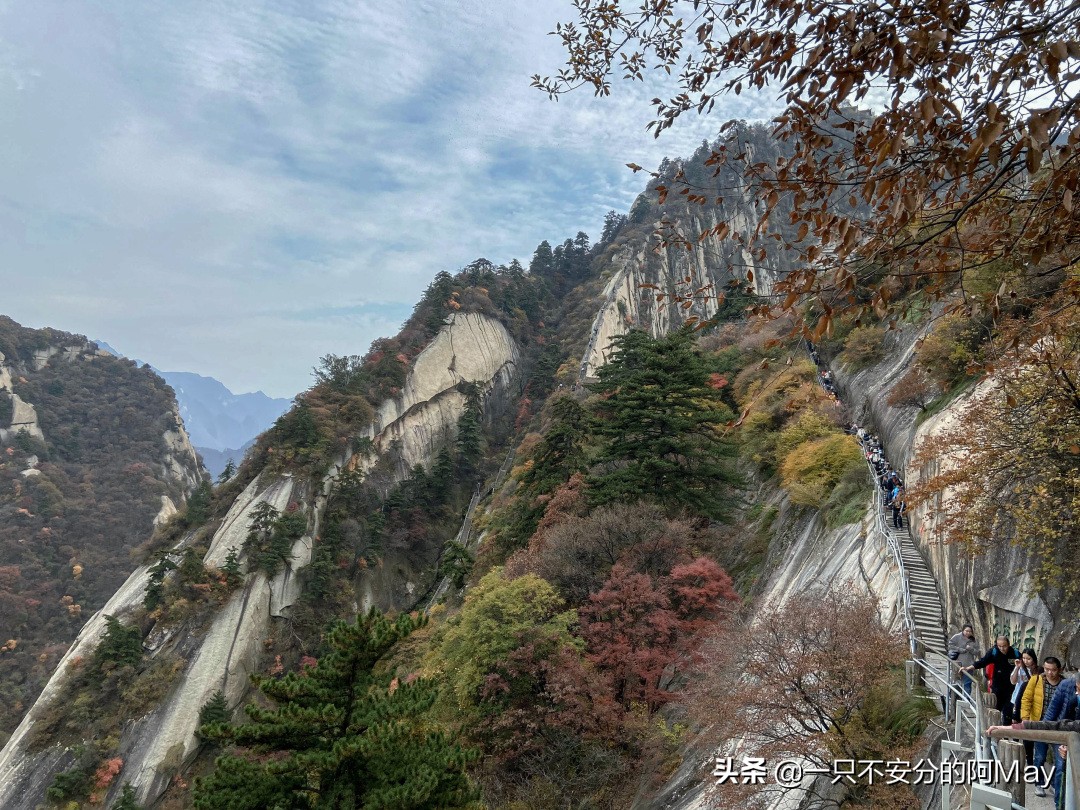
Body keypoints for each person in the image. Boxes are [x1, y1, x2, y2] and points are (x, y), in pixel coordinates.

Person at [989, 674, 1080, 804]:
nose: (1076, 693)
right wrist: (1014, 727)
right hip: (1057, 735)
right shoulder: (1062, 685)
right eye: (1076, 688)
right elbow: (1056, 724)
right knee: (1049, 763)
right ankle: (1046, 788)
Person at [1021, 657, 1066, 797]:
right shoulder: (1036, 680)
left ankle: (1055, 785)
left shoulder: (1065, 684)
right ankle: (1039, 783)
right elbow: (1026, 699)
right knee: (1039, 757)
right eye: (1046, 669)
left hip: (1058, 728)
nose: (1049, 672)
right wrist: (1025, 719)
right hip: (1039, 724)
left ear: (1059, 669)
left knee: (1060, 761)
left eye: (1053, 670)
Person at [964, 636, 1020, 723]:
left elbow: (1024, 664)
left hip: (1011, 688)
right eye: (999, 646)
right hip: (998, 687)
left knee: (1008, 712)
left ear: (1008, 644)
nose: (1002, 648)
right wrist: (969, 668)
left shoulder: (1015, 653)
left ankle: (1005, 733)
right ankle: (993, 732)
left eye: (1004, 646)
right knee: (996, 710)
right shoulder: (994, 652)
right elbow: (983, 662)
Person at [949, 624, 979, 696]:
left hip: (968, 665)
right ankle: (952, 698)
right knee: (955, 682)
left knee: (967, 685)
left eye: (970, 631)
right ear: (963, 630)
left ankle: (966, 701)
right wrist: (960, 650)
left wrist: (970, 648)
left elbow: (977, 652)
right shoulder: (957, 637)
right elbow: (950, 645)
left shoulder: (974, 640)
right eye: (966, 631)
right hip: (957, 664)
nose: (968, 633)